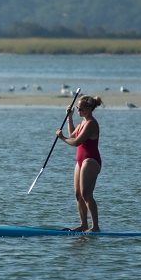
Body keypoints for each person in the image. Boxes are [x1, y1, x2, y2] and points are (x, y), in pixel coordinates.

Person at [56, 95, 103, 232]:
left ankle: (95, 227)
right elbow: (73, 135)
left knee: (86, 194)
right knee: (78, 194)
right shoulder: (83, 122)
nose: (78, 110)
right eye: (76, 108)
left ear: (88, 109)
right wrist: (69, 117)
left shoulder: (90, 123)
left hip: (91, 161)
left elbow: (76, 142)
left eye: (80, 108)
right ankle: (84, 225)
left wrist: (62, 138)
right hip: (80, 161)